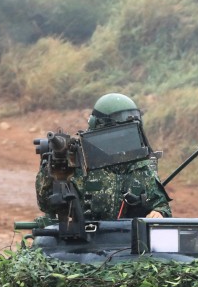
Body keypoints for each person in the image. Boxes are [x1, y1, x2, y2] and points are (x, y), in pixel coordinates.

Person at [35, 93, 171, 221]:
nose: (123, 139)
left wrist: (159, 212)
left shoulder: (139, 166)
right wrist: (53, 170)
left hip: (129, 238)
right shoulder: (78, 161)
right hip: (85, 239)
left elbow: (160, 204)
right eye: (119, 133)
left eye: (128, 132)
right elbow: (47, 205)